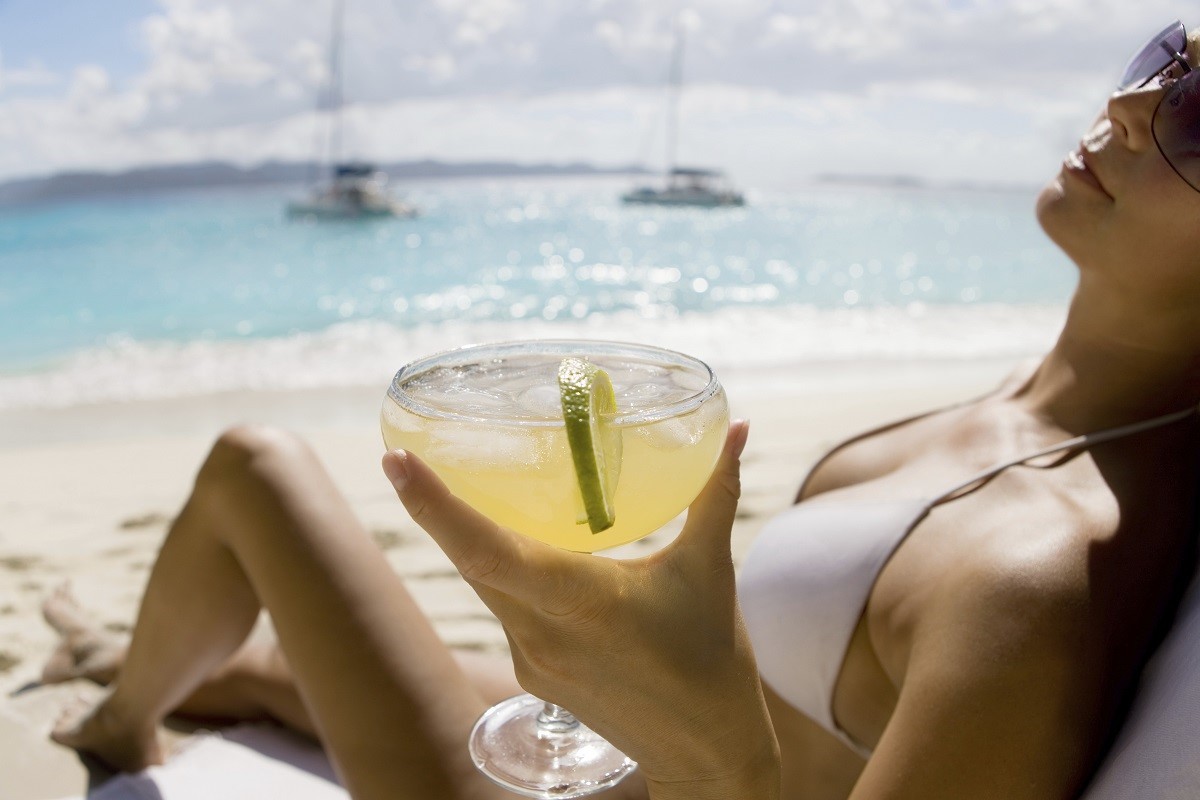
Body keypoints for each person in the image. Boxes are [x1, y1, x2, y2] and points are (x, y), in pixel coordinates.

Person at [42, 18, 1200, 800]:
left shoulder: (1040, 576)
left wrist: (707, 734)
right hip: (630, 739)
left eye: (1197, 118)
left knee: (257, 462)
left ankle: (119, 723)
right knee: (441, 649)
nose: (1131, 100)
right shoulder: (1042, 408)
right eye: (1166, 52)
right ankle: (197, 666)